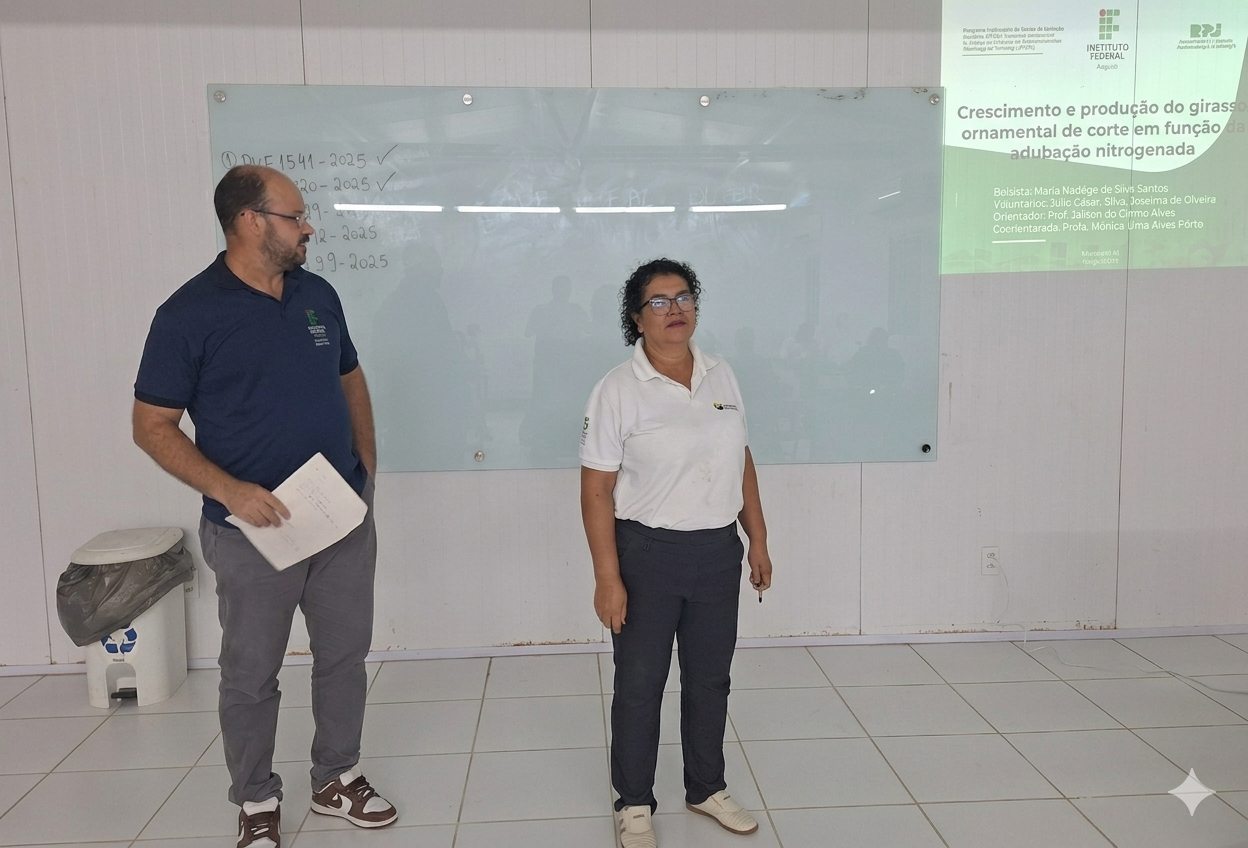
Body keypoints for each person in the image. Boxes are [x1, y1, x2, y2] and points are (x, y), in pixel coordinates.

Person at [132, 165, 396, 848]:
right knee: (251, 674)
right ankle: (255, 798)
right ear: (250, 221)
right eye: (295, 216)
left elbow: (350, 377)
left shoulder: (317, 294)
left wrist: (365, 467)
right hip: (251, 532)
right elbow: (152, 426)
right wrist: (230, 491)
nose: (308, 228)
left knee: (345, 656)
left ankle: (337, 776)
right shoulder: (188, 315)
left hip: (337, 517)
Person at [579, 258, 774, 848]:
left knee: (710, 679)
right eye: (659, 302)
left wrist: (758, 538)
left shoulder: (721, 374)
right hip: (647, 554)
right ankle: (634, 802)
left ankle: (705, 787)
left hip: (717, 551)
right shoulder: (618, 388)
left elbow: (740, 459)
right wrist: (608, 577)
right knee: (640, 683)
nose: (675, 309)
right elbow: (596, 489)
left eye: (684, 297)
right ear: (637, 318)